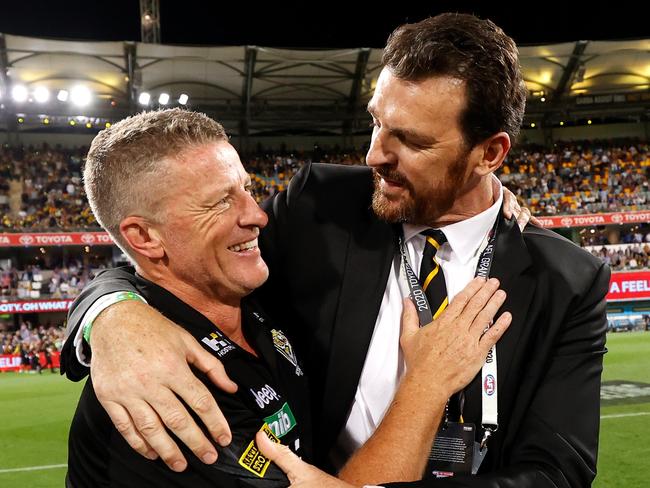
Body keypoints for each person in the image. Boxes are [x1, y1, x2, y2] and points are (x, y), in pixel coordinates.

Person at [62, 12, 609, 487]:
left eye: (412, 141)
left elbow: (556, 471)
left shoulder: (567, 279)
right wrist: (110, 315)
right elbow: (179, 260)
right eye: (376, 123)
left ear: (489, 154)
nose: (374, 156)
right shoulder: (319, 206)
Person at [65, 108, 510, 487]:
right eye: (220, 202)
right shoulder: (165, 389)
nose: (257, 215)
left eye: (245, 188)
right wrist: (427, 382)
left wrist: (478, 192)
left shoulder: (253, 295)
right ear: (144, 237)